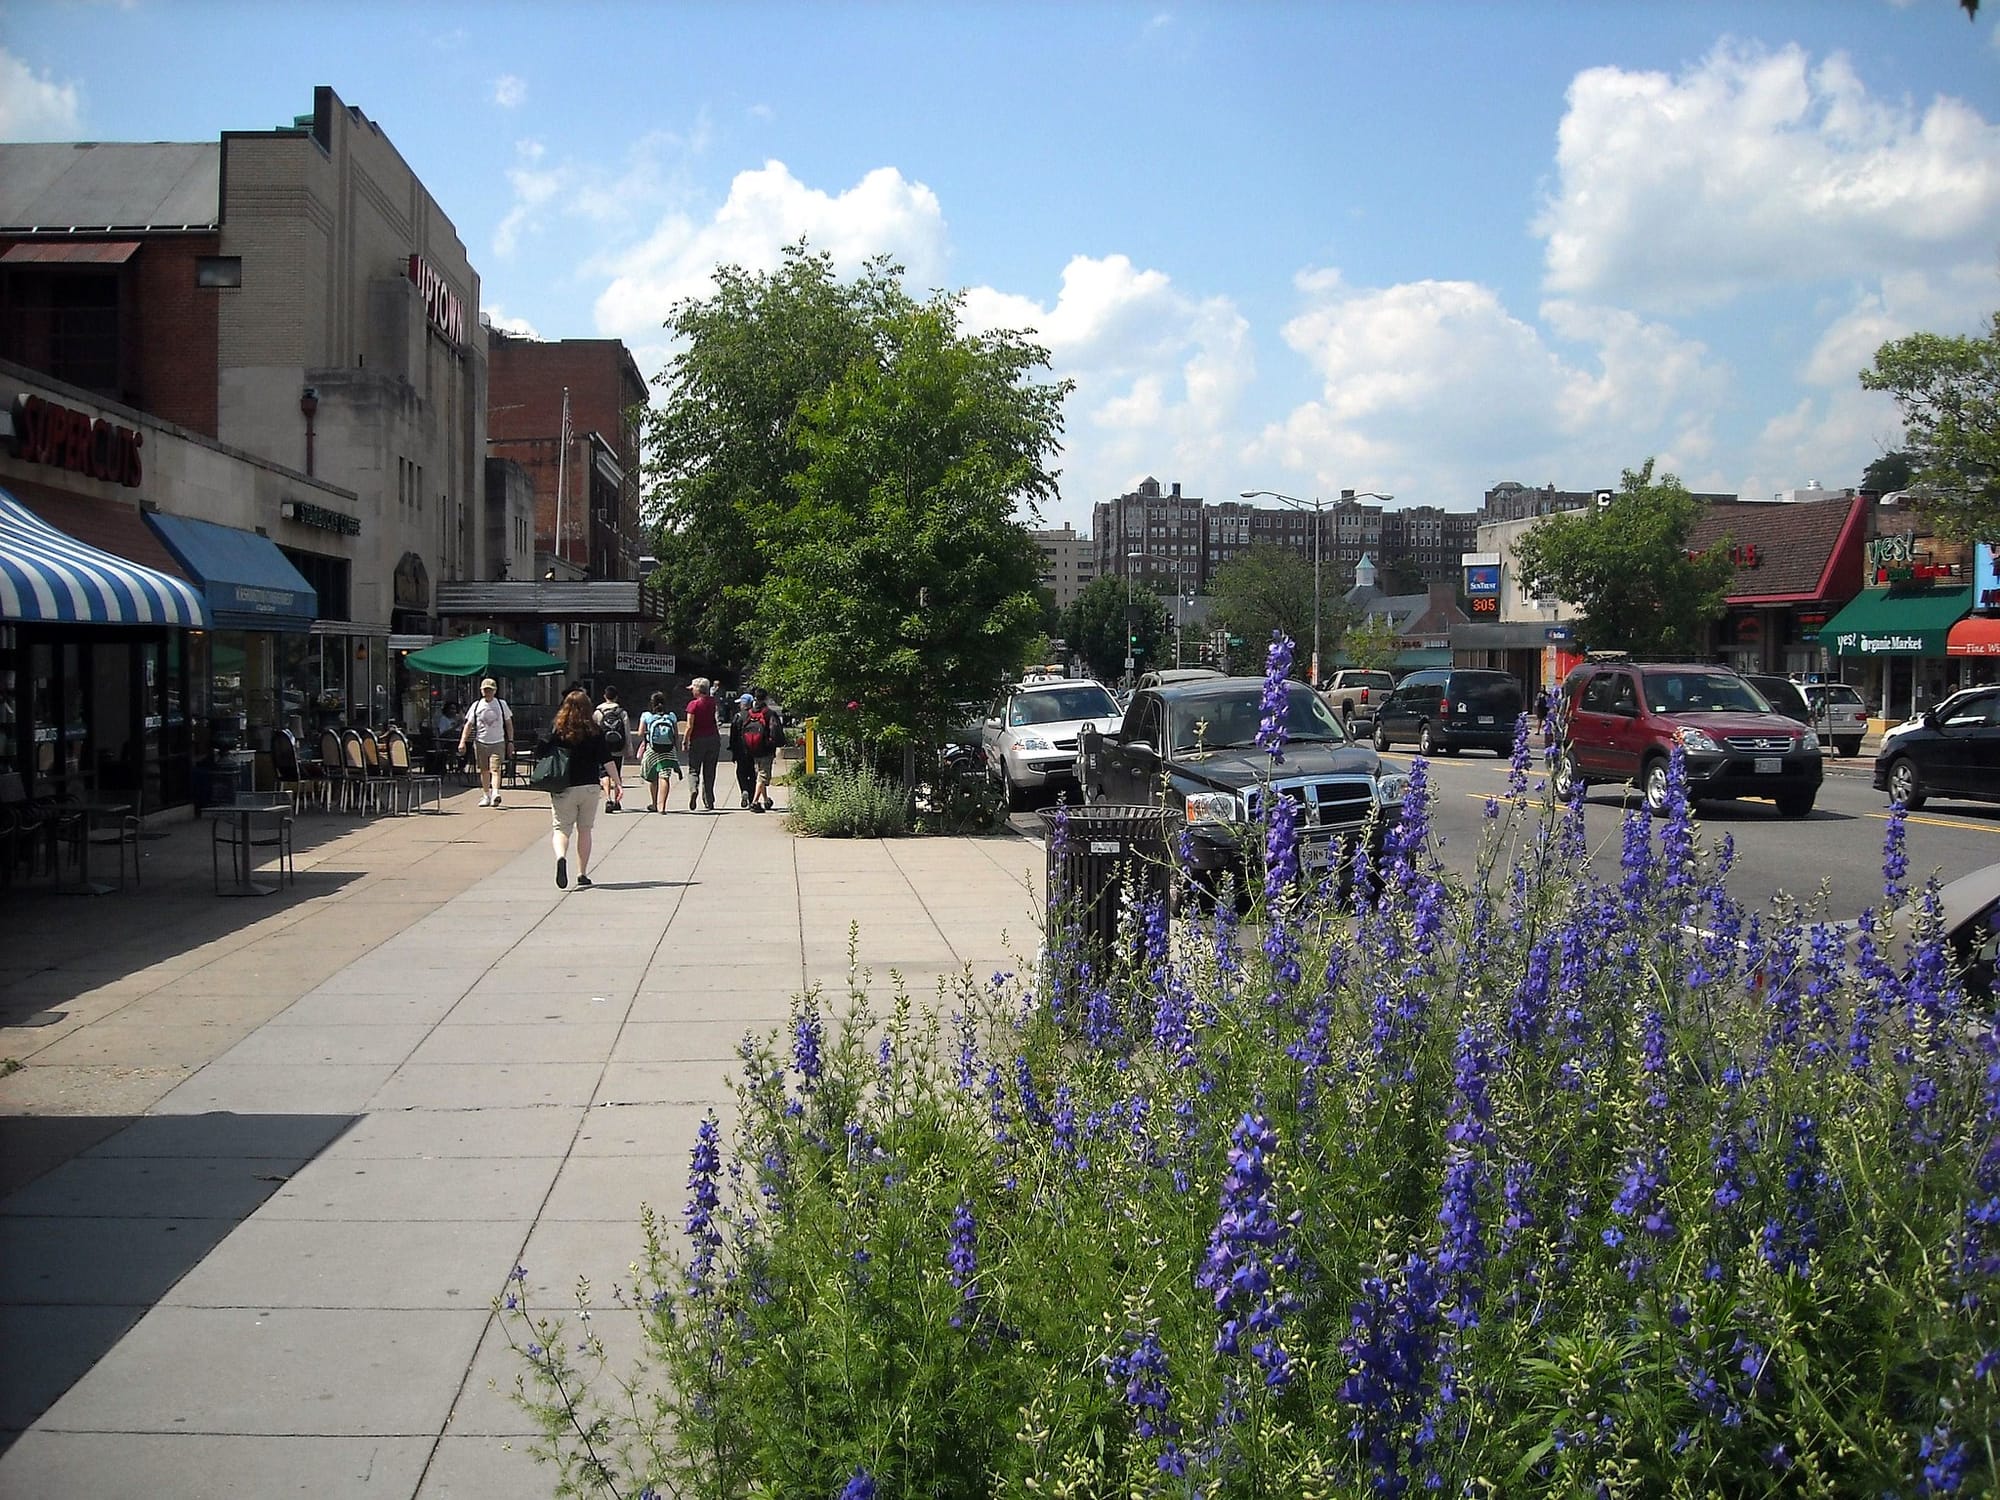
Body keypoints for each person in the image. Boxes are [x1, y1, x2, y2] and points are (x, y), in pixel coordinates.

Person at [536, 688, 622, 890]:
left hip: (564, 786)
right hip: (590, 786)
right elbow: (607, 759)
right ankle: (582, 873)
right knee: (585, 830)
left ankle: (561, 857)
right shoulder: (594, 730)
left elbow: (540, 751)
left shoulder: (558, 729)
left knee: (561, 828)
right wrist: (617, 782)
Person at [458, 678, 514, 807]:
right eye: (485, 689)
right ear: (481, 691)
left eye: (489, 689)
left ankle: (495, 793)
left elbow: (509, 723)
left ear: (494, 691)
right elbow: (469, 725)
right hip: (481, 741)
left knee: (495, 768)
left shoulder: (501, 704)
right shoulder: (477, 705)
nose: (487, 692)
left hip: (498, 741)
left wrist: (510, 741)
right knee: (484, 770)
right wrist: (462, 742)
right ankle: (486, 794)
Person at [741, 686, 786, 813]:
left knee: (759, 774)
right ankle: (755, 802)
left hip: (753, 748)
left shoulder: (750, 713)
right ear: (766, 698)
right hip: (766, 748)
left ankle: (766, 800)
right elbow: (775, 731)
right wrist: (778, 743)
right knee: (763, 776)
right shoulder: (769, 713)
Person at [638, 690, 681, 813]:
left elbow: (640, 733)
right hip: (668, 750)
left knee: (653, 778)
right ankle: (662, 806)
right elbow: (676, 735)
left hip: (652, 749)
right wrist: (676, 748)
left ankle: (654, 804)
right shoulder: (671, 716)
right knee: (665, 776)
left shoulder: (646, 715)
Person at [682, 677, 722, 811]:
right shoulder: (712, 702)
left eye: (693, 689)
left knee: (694, 769)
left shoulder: (693, 705)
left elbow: (689, 725)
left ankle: (693, 789)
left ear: (698, 690)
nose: (691, 691)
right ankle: (709, 800)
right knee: (710, 772)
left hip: (698, 739)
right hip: (713, 738)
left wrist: (685, 740)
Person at [594, 685, 631, 813]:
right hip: (618, 748)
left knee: (604, 773)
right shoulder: (622, 712)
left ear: (605, 696)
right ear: (616, 697)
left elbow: (594, 731)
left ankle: (608, 799)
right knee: (616, 773)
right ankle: (617, 801)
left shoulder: (598, 712)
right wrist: (628, 749)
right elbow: (626, 732)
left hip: (603, 747)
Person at [728, 690, 758, 808]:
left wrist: (733, 750)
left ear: (743, 704)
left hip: (740, 749)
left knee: (740, 771)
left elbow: (733, 735)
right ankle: (751, 797)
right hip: (754, 748)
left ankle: (744, 789)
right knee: (752, 773)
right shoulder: (755, 715)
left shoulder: (738, 716)